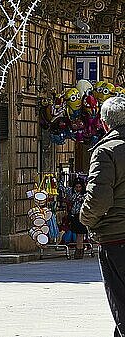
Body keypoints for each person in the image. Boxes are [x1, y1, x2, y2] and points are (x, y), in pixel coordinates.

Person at [80, 96, 125, 337]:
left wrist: (85, 218)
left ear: (105, 124)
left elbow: (98, 199)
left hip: (117, 238)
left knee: (121, 301)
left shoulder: (106, 151)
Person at [58, 174, 87, 259]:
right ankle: (79, 250)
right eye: (76, 187)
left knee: (80, 233)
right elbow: (61, 188)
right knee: (76, 232)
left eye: (79, 187)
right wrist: (60, 179)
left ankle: (79, 250)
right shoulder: (71, 191)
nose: (78, 188)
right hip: (73, 215)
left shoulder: (85, 194)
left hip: (81, 215)